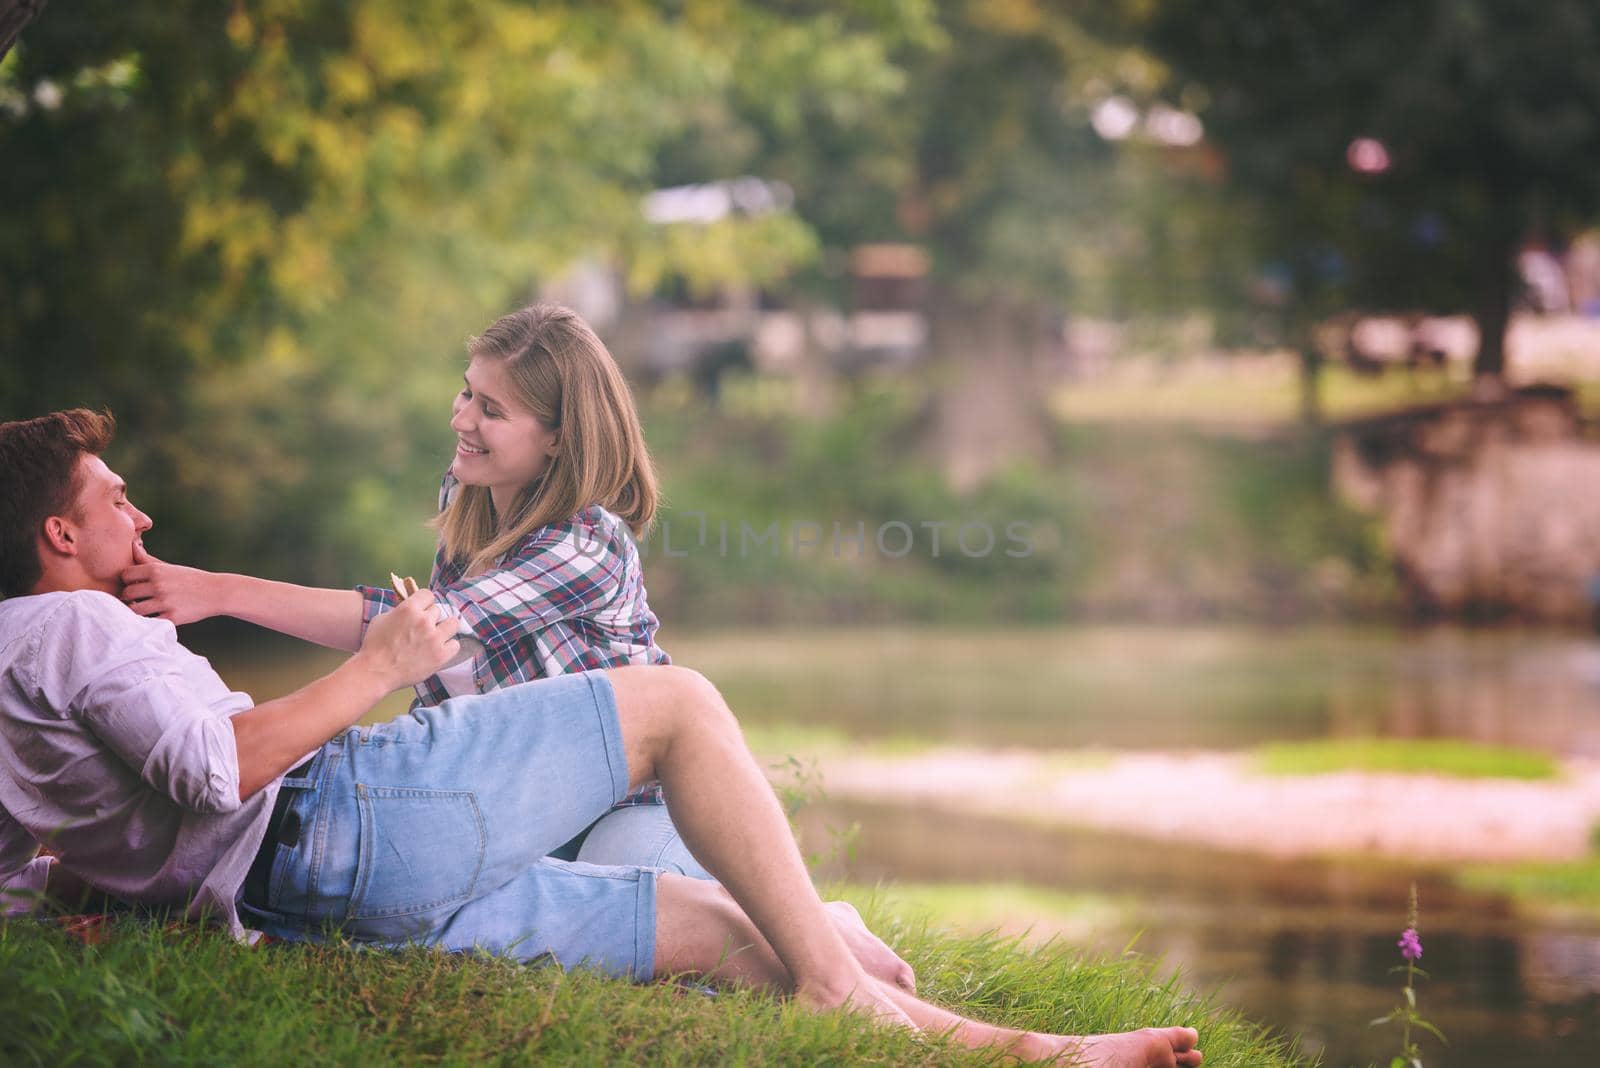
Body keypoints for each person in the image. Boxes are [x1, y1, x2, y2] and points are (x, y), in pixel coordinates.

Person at [0, 408, 1204, 1067]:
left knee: (738, 934)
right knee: (678, 701)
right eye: (114, 497)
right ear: (61, 535)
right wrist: (379, 669)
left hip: (313, 891)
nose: (139, 512)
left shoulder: (23, 648)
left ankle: (1043, 1055)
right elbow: (221, 769)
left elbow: (38, 837)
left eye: (487, 403)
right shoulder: (81, 635)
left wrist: (72, 885)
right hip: (338, 826)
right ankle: (839, 982)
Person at [119, 305, 700, 876]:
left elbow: (426, 630)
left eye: (491, 409)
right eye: (467, 392)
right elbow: (423, 645)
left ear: (557, 438)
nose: (462, 419)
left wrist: (220, 591)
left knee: (633, 896)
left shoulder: (584, 545)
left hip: (617, 808)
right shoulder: (469, 496)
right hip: (525, 805)